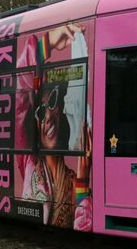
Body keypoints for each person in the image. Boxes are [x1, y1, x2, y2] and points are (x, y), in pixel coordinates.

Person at [14, 23, 92, 230]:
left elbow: (83, 230)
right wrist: (45, 45)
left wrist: (83, 182)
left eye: (52, 102)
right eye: (40, 112)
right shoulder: (28, 161)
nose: (47, 116)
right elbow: (18, 97)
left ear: (62, 109)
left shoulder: (76, 181)